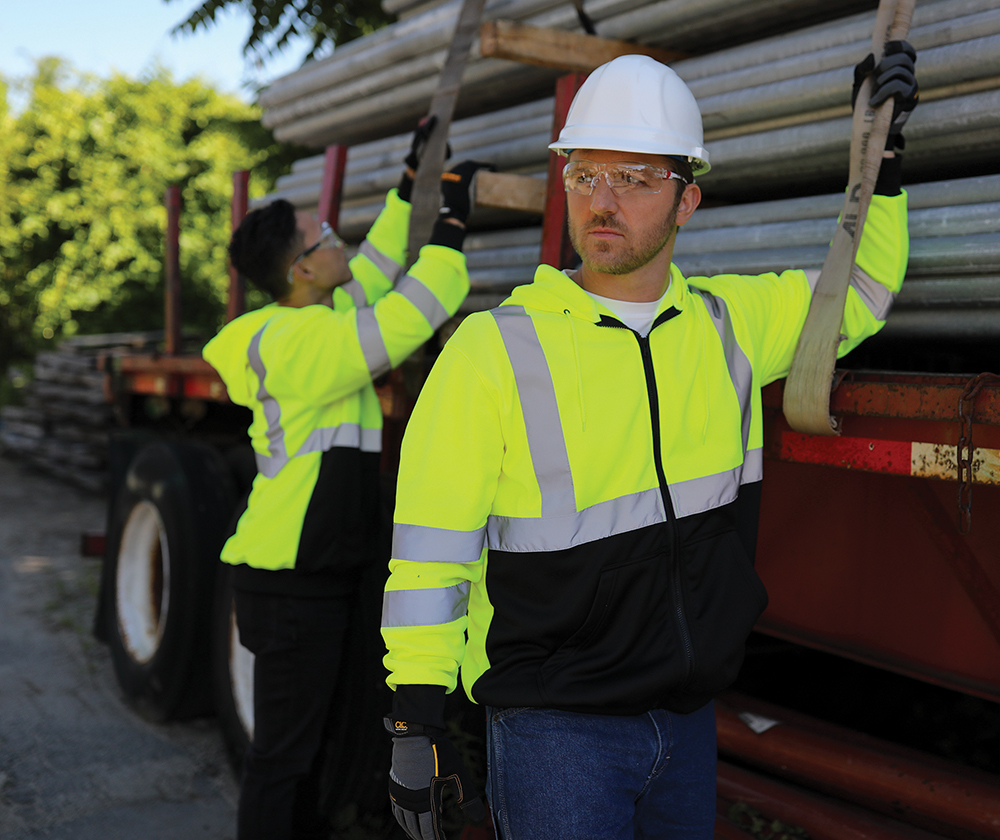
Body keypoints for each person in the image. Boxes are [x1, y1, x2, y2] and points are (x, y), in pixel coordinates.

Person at [381, 48, 918, 840]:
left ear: (686, 199)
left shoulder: (730, 326)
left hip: (686, 715)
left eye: (633, 179)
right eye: (586, 175)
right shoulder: (492, 350)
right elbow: (431, 548)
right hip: (555, 732)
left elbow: (863, 290)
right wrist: (413, 720)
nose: (603, 201)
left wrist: (885, 160)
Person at [202, 119, 493, 840]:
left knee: (308, 749)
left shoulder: (316, 317)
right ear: (302, 268)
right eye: (324, 235)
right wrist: (453, 227)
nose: (338, 241)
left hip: (311, 573)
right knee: (283, 756)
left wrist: (409, 183)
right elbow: (405, 316)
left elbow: (376, 269)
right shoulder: (301, 343)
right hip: (289, 578)